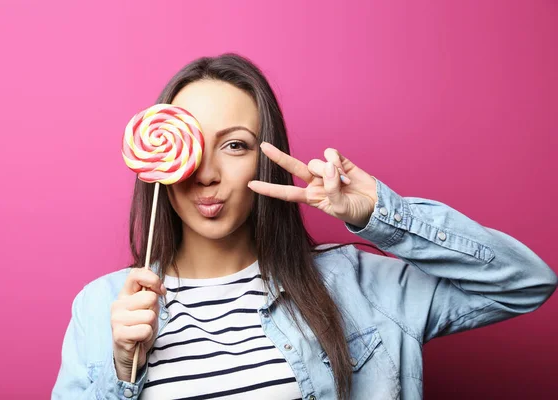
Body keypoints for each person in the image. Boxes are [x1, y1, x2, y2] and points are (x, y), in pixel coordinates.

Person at [51, 53, 557, 400]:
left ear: (265, 159)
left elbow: (526, 283)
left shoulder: (358, 286)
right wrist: (122, 372)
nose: (206, 173)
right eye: (194, 146)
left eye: (235, 145)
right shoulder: (103, 309)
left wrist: (379, 213)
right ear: (159, 162)